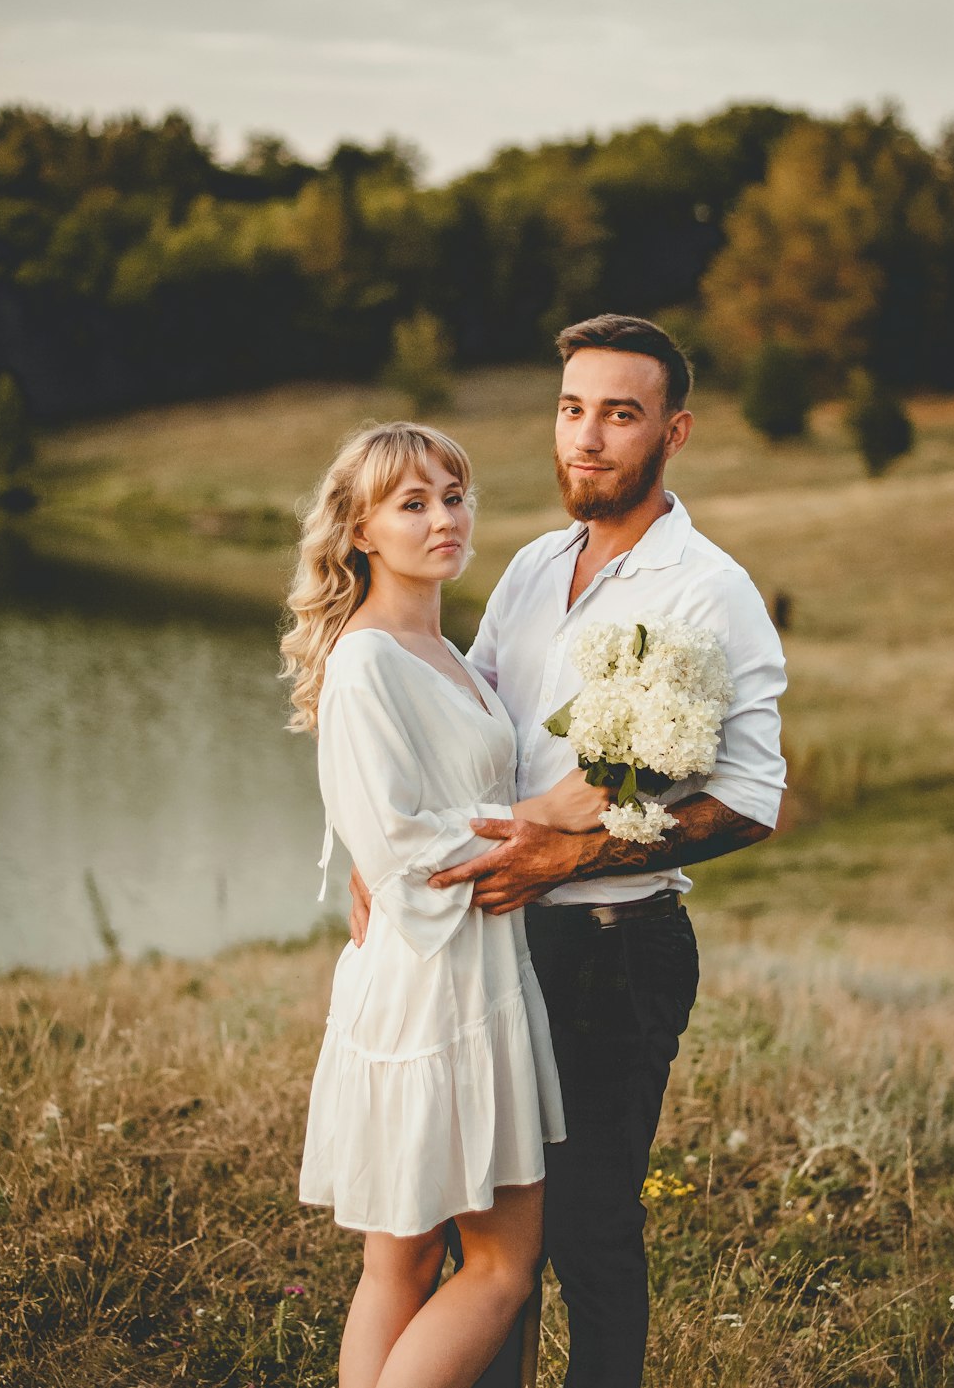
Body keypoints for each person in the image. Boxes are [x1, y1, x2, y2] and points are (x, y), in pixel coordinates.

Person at [349, 315, 787, 1387]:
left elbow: (749, 799)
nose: (585, 437)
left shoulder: (708, 590)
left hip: (611, 945)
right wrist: (379, 844)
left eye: (619, 414)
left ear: (671, 432)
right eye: (570, 407)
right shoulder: (535, 566)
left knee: (586, 1228)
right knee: (487, 1236)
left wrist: (565, 857)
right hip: (490, 949)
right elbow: (477, 729)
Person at [281, 422, 615, 1388]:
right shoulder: (367, 661)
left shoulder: (451, 657)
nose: (444, 518)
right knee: (502, 1267)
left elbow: (405, 821)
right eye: (413, 503)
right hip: (436, 988)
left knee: (408, 1259)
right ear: (360, 529)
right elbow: (397, 848)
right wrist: (539, 813)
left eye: (454, 495)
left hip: (465, 972)